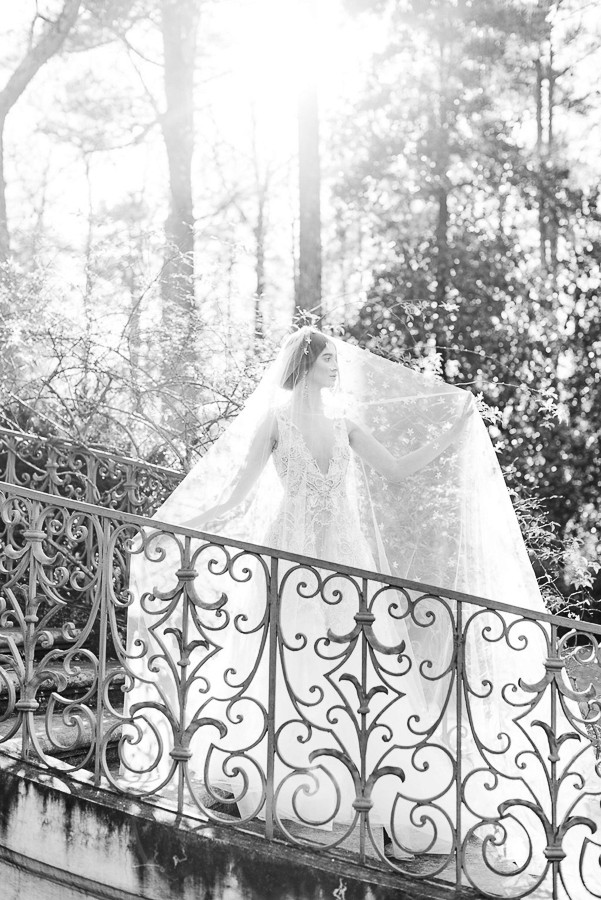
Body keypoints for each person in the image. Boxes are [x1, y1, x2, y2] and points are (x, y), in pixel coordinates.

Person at [122, 327, 598, 876]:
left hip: (346, 561)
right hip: (290, 557)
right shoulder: (276, 423)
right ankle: (286, 777)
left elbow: (399, 468)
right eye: (327, 358)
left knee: (356, 664)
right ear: (304, 363)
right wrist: (173, 527)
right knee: (288, 663)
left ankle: (365, 782)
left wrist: (456, 432)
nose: (335, 366)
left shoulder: (345, 425)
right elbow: (237, 495)